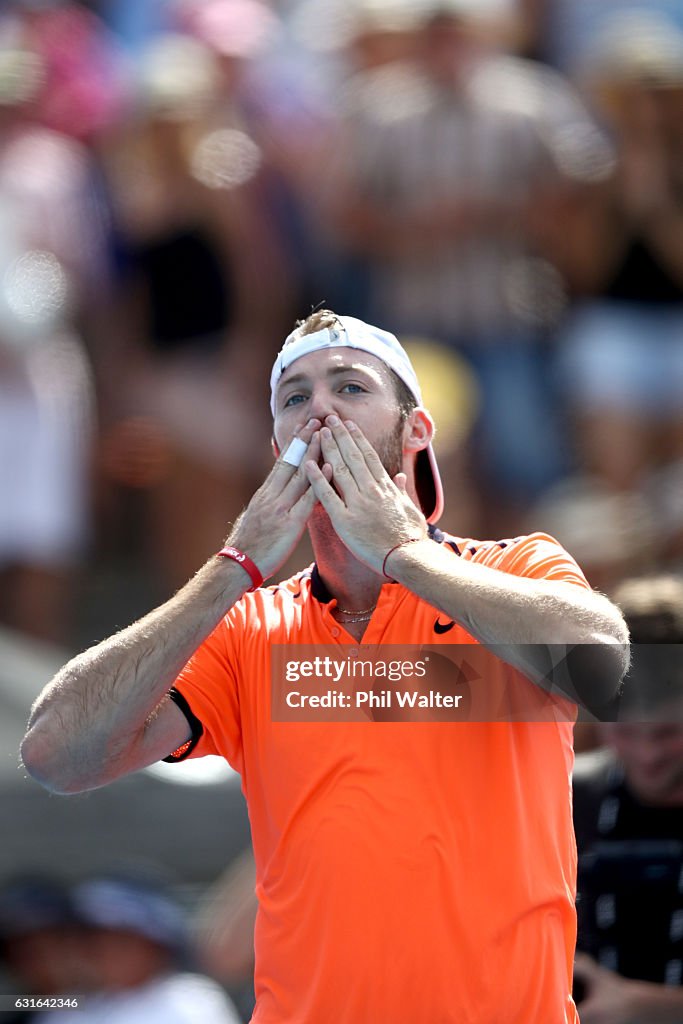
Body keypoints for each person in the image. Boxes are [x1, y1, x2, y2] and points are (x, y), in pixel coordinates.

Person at [21, 309, 629, 1023]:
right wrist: (230, 569)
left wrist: (403, 551)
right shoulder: (247, 625)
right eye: (295, 397)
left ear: (415, 433)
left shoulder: (516, 567)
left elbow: (607, 674)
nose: (320, 411)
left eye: (349, 387)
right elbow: (56, 756)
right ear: (275, 445)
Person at [572, 575, 683, 1023]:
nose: (647, 754)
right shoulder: (565, 799)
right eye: (625, 731)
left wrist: (653, 1009)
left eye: (668, 733)